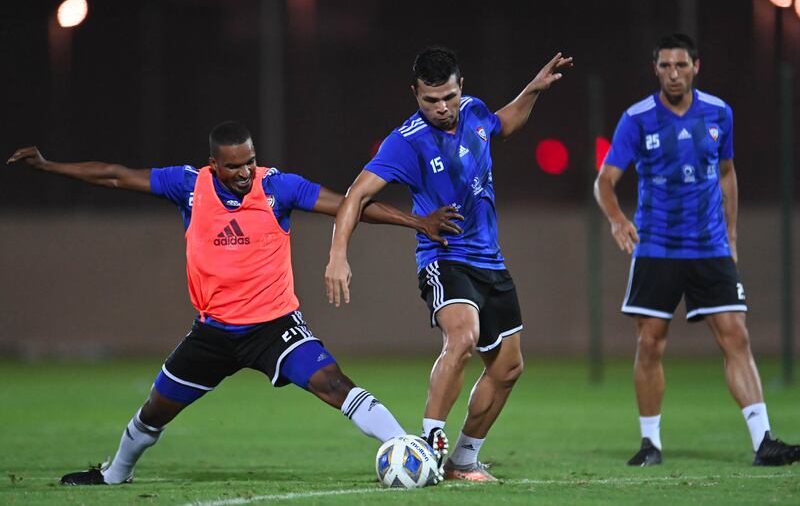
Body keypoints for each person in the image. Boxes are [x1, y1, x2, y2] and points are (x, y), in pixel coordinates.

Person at [7, 121, 464, 485]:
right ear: (213, 165)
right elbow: (115, 176)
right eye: (234, 166)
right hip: (213, 332)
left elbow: (349, 205)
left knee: (333, 382)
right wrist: (49, 167)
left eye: (250, 162)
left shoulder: (277, 187)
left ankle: (411, 449)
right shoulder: (188, 185)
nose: (245, 172)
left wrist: (416, 221)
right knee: (154, 410)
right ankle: (114, 476)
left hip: (273, 326)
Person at [325, 47, 572, 481]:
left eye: (449, 97)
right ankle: (429, 446)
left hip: (490, 262)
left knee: (509, 367)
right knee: (463, 338)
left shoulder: (474, 113)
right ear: (415, 95)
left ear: (462, 88)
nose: (442, 108)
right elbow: (356, 195)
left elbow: (504, 124)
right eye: (430, 100)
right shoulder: (406, 141)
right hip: (445, 257)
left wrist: (532, 90)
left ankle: (462, 460)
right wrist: (338, 255)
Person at [594, 33, 800, 467]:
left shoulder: (719, 113)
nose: (673, 73)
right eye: (665, 66)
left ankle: (764, 441)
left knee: (736, 336)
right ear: (656, 69)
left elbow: (727, 174)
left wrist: (732, 235)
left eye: (681, 65)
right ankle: (651, 443)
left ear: (696, 67)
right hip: (656, 248)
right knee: (650, 344)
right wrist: (617, 219)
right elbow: (604, 181)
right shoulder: (638, 118)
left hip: (709, 247)